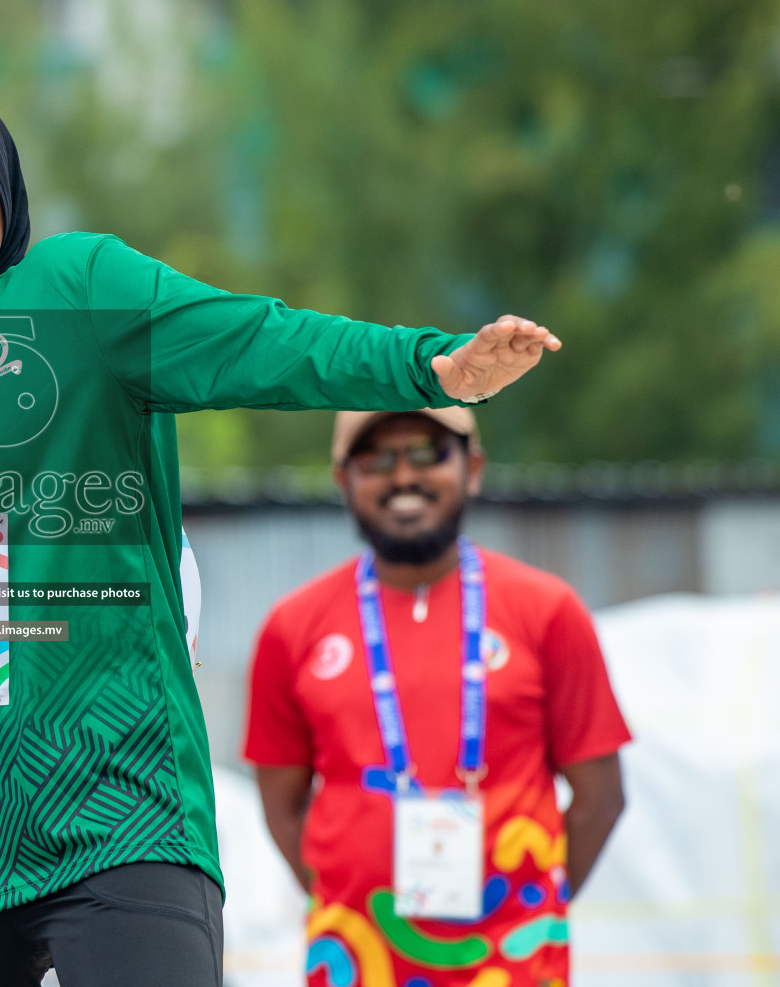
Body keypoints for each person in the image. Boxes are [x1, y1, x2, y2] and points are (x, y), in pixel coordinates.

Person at [0, 85, 562, 987]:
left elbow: (254, 340)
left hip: (116, 818)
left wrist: (432, 365)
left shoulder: (76, 288)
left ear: (8, 204)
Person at [242, 407, 631, 987]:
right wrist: (353, 890)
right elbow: (281, 803)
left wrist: (527, 905)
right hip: (355, 957)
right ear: (342, 480)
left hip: (516, 961)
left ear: (472, 469)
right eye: (376, 459)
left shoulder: (548, 611)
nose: (404, 477)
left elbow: (601, 797)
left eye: (428, 453)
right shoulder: (292, 627)